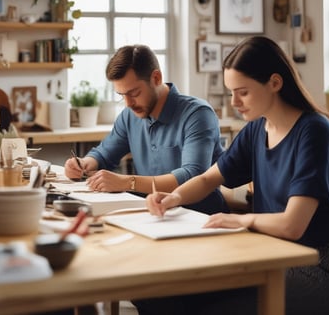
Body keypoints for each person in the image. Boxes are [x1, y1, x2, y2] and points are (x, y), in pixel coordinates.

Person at [138, 36, 329, 315]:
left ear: (275, 83)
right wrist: (173, 197)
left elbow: (293, 226)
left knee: (206, 307)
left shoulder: (314, 132)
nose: (234, 103)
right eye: (231, 92)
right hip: (271, 253)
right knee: (159, 296)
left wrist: (240, 220)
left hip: (319, 267)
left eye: (242, 92)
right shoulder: (256, 129)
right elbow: (208, 179)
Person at [64, 44, 228, 215]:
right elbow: (104, 154)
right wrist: (83, 164)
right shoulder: (129, 115)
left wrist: (128, 182)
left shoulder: (198, 115)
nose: (128, 103)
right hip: (152, 214)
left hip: (200, 218)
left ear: (156, 78)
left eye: (134, 93)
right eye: (122, 96)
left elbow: (192, 175)